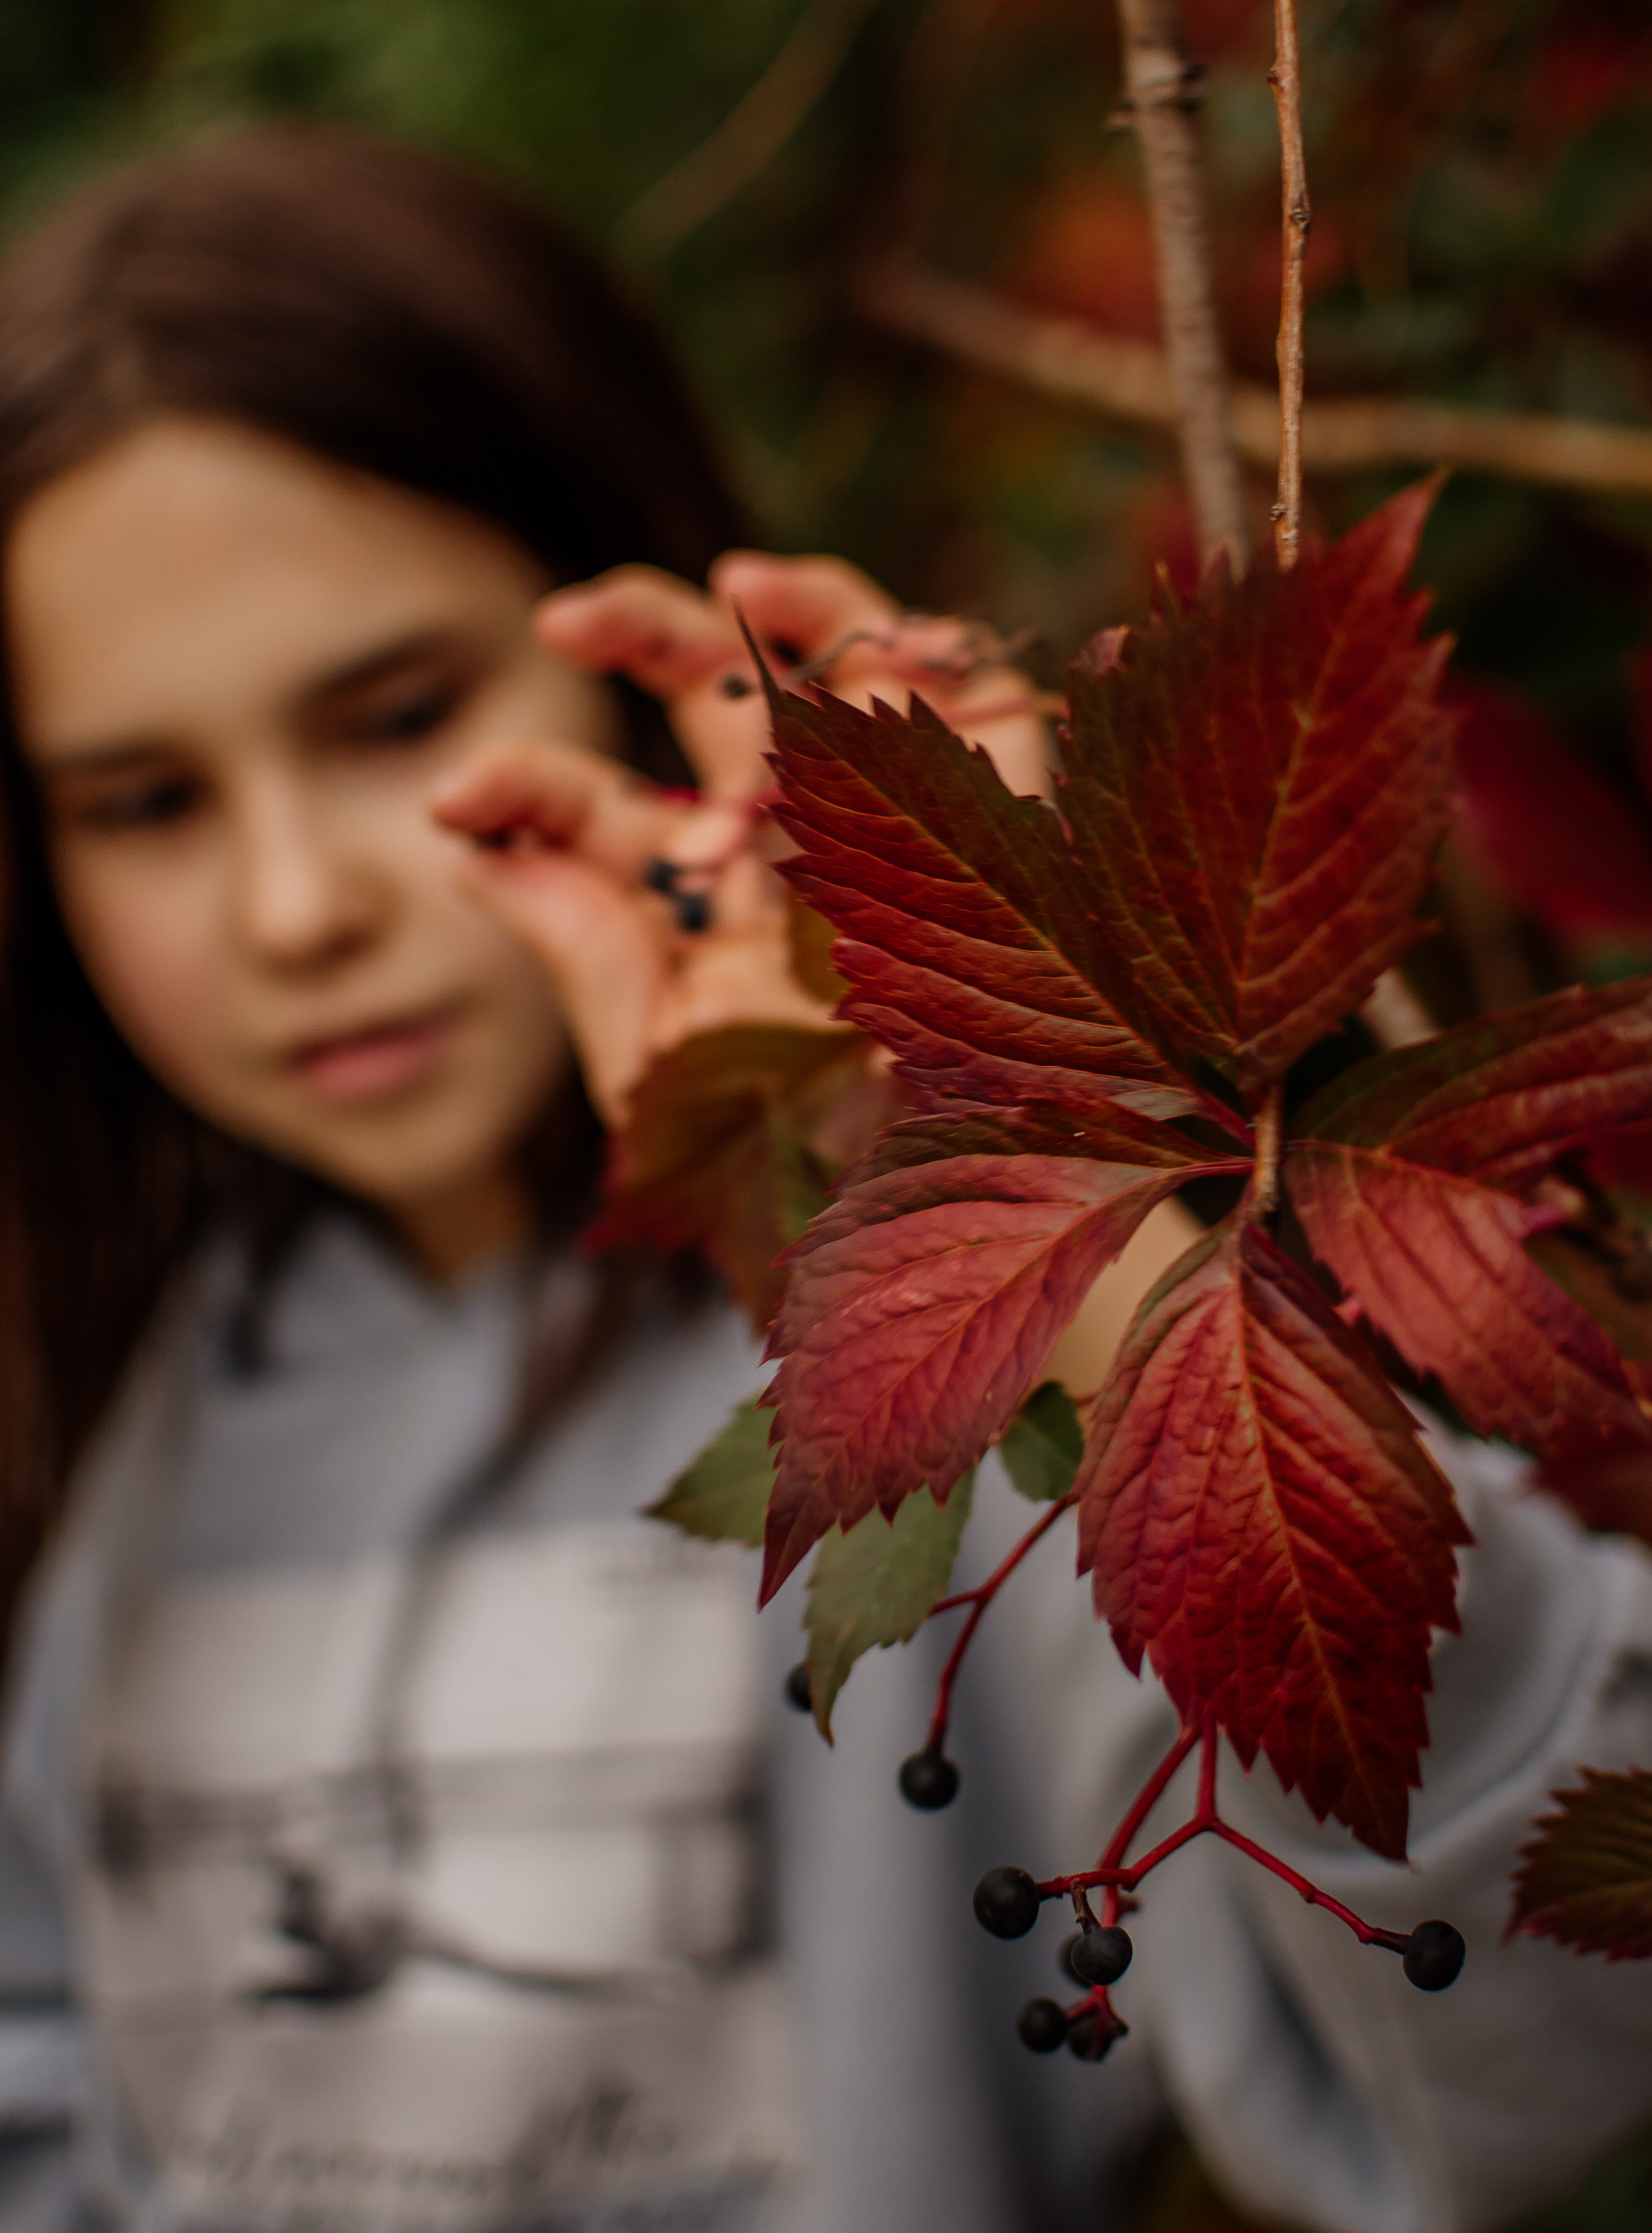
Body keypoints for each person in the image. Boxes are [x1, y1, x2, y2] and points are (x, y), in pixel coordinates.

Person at [0, 120, 1645, 2233]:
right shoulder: (107, 1389)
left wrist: (1046, 1182)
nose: (295, 902)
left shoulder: (960, 1375)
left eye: (393, 712)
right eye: (142, 797)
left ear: (635, 628)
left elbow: (1536, 2036)